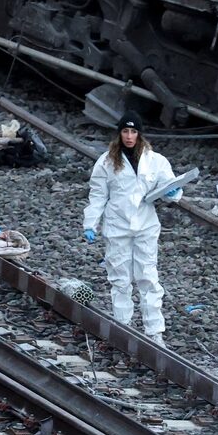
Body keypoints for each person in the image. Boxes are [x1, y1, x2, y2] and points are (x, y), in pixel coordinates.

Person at [82, 115, 181, 340]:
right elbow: (98, 195)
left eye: (133, 132)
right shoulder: (107, 161)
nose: (129, 137)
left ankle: (154, 332)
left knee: (148, 277)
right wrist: (91, 223)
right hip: (117, 226)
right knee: (120, 279)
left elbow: (170, 186)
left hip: (145, 225)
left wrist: (173, 193)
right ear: (119, 134)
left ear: (140, 134)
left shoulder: (155, 161)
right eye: (125, 132)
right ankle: (122, 328)